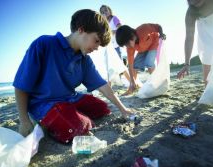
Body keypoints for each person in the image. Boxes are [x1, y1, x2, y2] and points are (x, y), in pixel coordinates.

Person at [13, 9, 133, 143]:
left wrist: (123, 109)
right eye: (96, 41)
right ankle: (62, 118)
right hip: (44, 104)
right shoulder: (44, 44)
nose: (97, 48)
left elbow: (102, 85)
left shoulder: (84, 59)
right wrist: (24, 121)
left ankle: (70, 115)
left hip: (70, 99)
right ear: (81, 30)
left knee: (102, 108)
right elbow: (21, 85)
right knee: (78, 127)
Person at [116, 24, 166, 95]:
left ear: (132, 35)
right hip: (143, 49)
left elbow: (158, 27)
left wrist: (161, 34)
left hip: (153, 44)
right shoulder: (130, 47)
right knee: (134, 67)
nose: (127, 46)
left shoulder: (144, 29)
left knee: (148, 63)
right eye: (125, 45)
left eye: (127, 43)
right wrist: (132, 81)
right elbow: (130, 65)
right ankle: (133, 86)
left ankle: (156, 83)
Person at [98, 5, 131, 87]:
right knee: (109, 65)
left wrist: (112, 31)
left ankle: (131, 82)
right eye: (102, 12)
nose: (104, 13)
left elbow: (121, 28)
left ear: (109, 10)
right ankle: (112, 84)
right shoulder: (104, 23)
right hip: (108, 46)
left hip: (116, 45)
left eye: (106, 10)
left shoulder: (114, 18)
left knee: (120, 64)